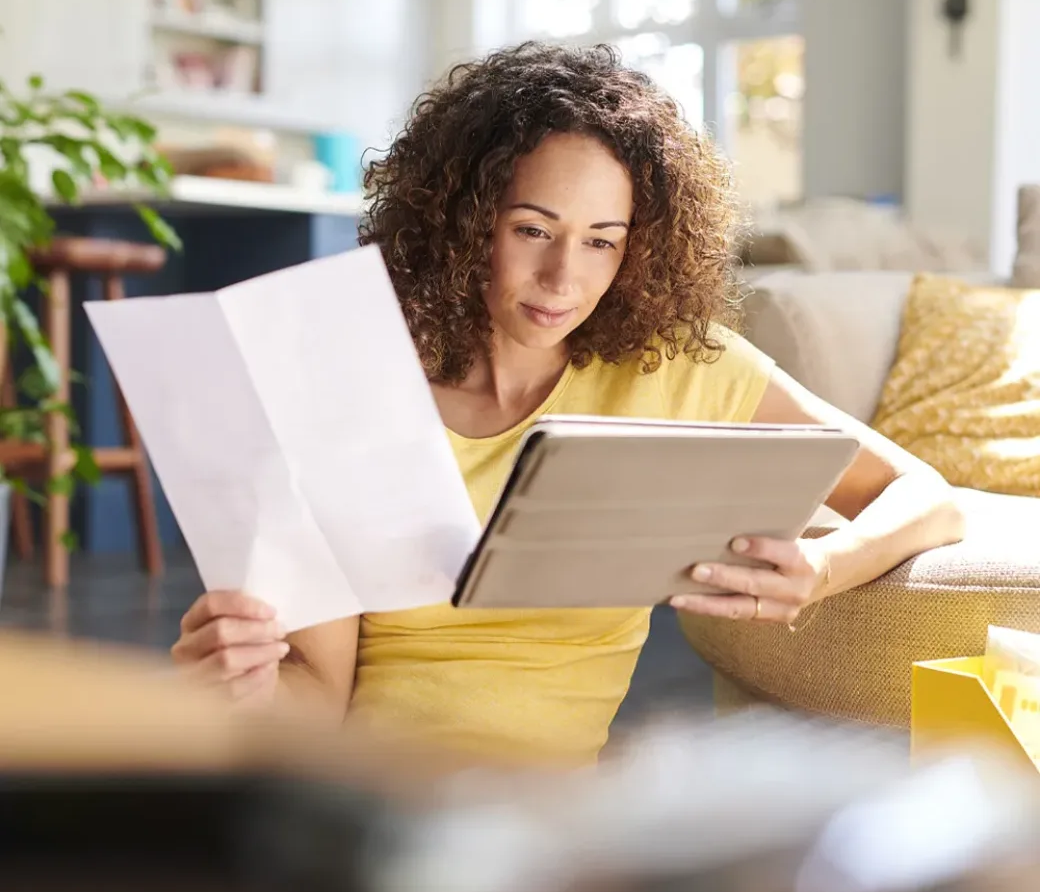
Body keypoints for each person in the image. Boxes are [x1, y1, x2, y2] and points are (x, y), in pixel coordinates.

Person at [173, 43, 964, 767]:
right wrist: (245, 686)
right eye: (532, 229)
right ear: (463, 220)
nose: (563, 279)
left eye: (601, 240)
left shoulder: (679, 366)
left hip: (545, 835)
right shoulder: (354, 385)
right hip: (363, 807)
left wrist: (823, 568)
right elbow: (319, 699)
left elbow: (925, 497)